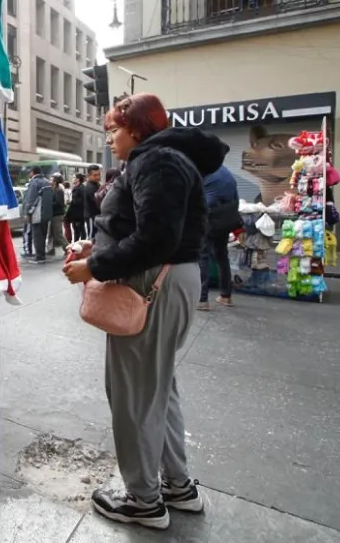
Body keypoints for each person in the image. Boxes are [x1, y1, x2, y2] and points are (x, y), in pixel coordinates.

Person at [62, 93, 227, 530]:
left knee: (134, 393)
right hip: (168, 279)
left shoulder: (157, 161)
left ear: (134, 128)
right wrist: (96, 247)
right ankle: (175, 487)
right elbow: (144, 227)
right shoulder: (166, 159)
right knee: (157, 386)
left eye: (113, 130)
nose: (110, 139)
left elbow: (156, 237)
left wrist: (93, 265)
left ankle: (143, 499)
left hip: (155, 280)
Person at [198, 164, 240, 310]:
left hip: (211, 217)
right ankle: (225, 295)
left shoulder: (205, 170)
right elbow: (235, 198)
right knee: (221, 255)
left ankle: (201, 299)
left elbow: (205, 202)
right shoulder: (226, 172)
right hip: (227, 218)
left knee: (202, 256)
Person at [22, 166, 53, 264]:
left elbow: (31, 199)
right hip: (46, 213)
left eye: (29, 172)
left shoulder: (34, 183)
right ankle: (42, 255)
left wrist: (27, 212)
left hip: (37, 214)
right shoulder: (47, 182)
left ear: (32, 172)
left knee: (37, 236)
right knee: (43, 235)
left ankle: (39, 257)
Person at [48, 174, 68, 255]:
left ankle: (67, 248)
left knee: (58, 234)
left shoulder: (58, 190)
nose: (49, 181)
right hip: (53, 214)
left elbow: (59, 203)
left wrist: (49, 203)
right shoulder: (53, 189)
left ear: (55, 181)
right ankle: (50, 249)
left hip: (57, 215)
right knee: (51, 233)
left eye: (51, 179)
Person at [67, 174, 87, 242]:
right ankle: (77, 244)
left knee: (79, 230)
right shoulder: (77, 187)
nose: (72, 178)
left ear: (78, 179)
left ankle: (80, 245)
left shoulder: (80, 188)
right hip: (76, 213)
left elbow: (81, 201)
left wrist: (73, 202)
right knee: (77, 230)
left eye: (74, 177)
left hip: (78, 214)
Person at [83, 165, 102, 237]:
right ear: (89, 176)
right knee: (91, 237)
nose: (98, 177)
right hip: (91, 216)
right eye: (95, 175)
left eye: (99, 174)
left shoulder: (96, 184)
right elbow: (98, 202)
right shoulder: (90, 187)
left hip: (95, 216)